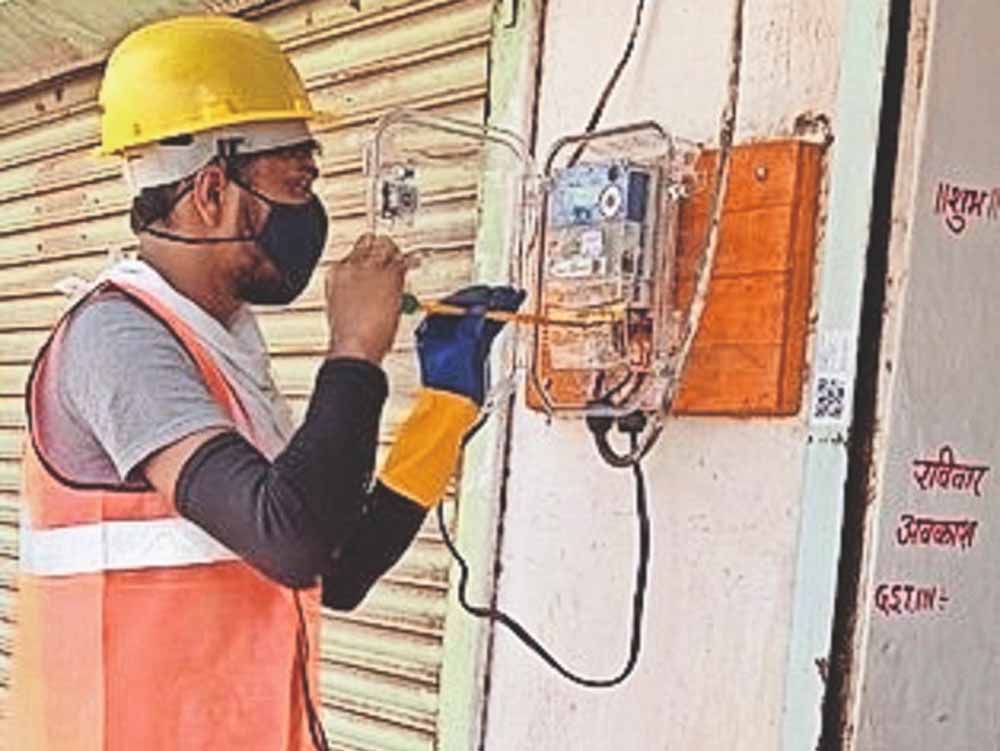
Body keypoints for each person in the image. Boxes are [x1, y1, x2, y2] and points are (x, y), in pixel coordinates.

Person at [10, 15, 523, 751]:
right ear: (211, 189)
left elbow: (335, 568)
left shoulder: (222, 345)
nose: (310, 214)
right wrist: (354, 349)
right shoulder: (114, 339)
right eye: (296, 184)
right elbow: (292, 539)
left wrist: (443, 408)